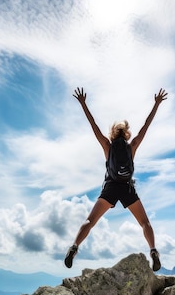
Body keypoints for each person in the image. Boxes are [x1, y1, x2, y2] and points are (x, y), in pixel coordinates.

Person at [65, 87, 168, 271]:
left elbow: (93, 126)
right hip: (127, 188)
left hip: (111, 187)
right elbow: (146, 126)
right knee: (145, 223)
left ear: (113, 133)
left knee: (90, 221)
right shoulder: (132, 146)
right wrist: (156, 104)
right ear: (126, 133)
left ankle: (74, 247)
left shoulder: (107, 145)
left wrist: (83, 104)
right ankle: (153, 250)